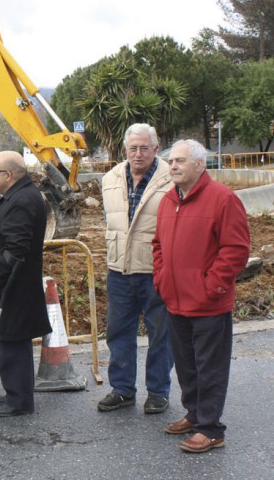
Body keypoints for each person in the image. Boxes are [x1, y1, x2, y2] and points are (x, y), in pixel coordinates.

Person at [153, 139, 250, 453]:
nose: (174, 166)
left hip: (208, 304)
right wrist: (162, 279)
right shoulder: (169, 200)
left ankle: (210, 429)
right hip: (176, 301)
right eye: (171, 162)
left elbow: (235, 251)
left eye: (180, 161)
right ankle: (195, 415)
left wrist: (213, 287)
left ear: (199, 164)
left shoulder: (223, 199)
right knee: (186, 365)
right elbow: (158, 247)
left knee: (210, 367)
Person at [99, 123, 174, 414]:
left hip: (156, 270)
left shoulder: (171, 178)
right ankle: (122, 390)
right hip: (119, 268)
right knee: (118, 332)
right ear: (125, 149)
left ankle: (158, 392)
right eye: (133, 148)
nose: (138, 154)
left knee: (160, 334)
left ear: (156, 149)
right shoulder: (110, 178)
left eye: (145, 148)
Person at [0, 151, 52, 417]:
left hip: (12, 285)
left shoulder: (21, 200)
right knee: (10, 340)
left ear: (8, 175)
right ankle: (15, 392)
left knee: (11, 341)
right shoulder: (19, 195)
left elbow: (15, 246)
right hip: (14, 282)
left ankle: (19, 400)